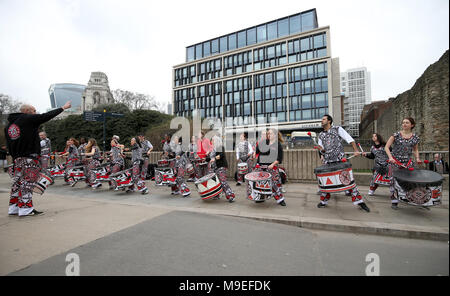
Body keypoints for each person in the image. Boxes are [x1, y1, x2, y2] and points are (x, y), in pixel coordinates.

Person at [5, 101, 71, 216]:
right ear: (27, 112)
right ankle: (26, 209)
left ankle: (14, 208)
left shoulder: (9, 126)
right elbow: (45, 116)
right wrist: (62, 108)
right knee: (28, 181)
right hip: (29, 157)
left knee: (17, 182)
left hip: (17, 158)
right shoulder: (27, 119)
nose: (36, 113)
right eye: (34, 111)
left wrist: (15, 156)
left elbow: (9, 144)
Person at [314, 114, 370, 212]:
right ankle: (323, 201)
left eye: (323, 119)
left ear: (329, 121)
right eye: (321, 119)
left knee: (349, 182)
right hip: (328, 162)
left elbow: (349, 139)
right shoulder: (321, 135)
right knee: (326, 184)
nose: (321, 121)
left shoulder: (337, 129)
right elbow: (322, 150)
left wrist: (356, 150)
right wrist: (321, 151)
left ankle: (360, 202)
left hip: (340, 160)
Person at [385, 117, 420, 210]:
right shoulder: (396, 135)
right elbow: (386, 147)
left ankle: (413, 199)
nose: (404, 124)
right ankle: (394, 201)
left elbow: (415, 149)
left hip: (407, 163)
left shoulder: (415, 137)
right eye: (403, 122)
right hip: (395, 162)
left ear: (412, 125)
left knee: (410, 181)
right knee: (393, 182)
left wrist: (417, 158)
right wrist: (390, 157)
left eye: (407, 123)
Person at [254, 128, 286, 206]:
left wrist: (272, 164)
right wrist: (254, 153)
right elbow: (257, 151)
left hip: (271, 166)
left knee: (275, 183)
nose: (268, 135)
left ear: (275, 135)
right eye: (268, 133)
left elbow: (279, 158)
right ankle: (261, 198)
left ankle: (280, 199)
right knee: (260, 183)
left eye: (270, 133)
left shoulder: (277, 144)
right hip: (261, 166)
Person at [206, 135, 235, 202]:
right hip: (214, 168)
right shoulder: (213, 149)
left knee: (223, 181)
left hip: (221, 167)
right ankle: (217, 195)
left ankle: (230, 195)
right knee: (215, 182)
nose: (211, 141)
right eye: (212, 140)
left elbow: (221, 155)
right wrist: (206, 156)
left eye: (213, 140)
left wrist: (214, 158)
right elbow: (209, 159)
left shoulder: (220, 147)